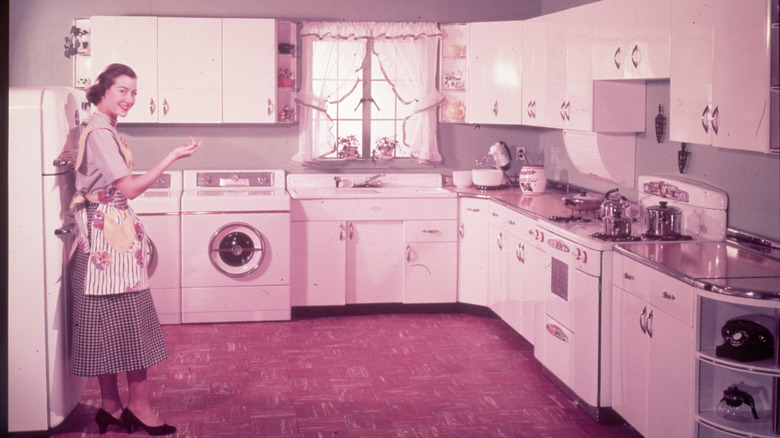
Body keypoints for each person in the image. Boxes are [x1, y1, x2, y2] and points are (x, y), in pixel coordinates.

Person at [70, 63, 201, 435]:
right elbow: (128, 189)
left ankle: (111, 408)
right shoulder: (100, 132)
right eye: (122, 91)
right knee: (129, 322)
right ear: (103, 91)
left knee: (106, 323)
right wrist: (172, 157)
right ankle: (138, 407)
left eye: (133, 93)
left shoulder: (101, 127)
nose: (129, 99)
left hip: (101, 236)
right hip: (108, 236)